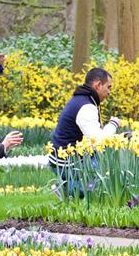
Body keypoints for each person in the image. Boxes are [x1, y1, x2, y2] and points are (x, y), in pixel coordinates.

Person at [49, 68, 122, 196]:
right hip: (67, 163)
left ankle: (70, 187)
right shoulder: (86, 106)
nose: (109, 92)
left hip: (62, 158)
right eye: (108, 87)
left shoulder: (82, 99)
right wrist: (113, 124)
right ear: (98, 85)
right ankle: (69, 189)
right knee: (105, 173)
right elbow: (99, 141)